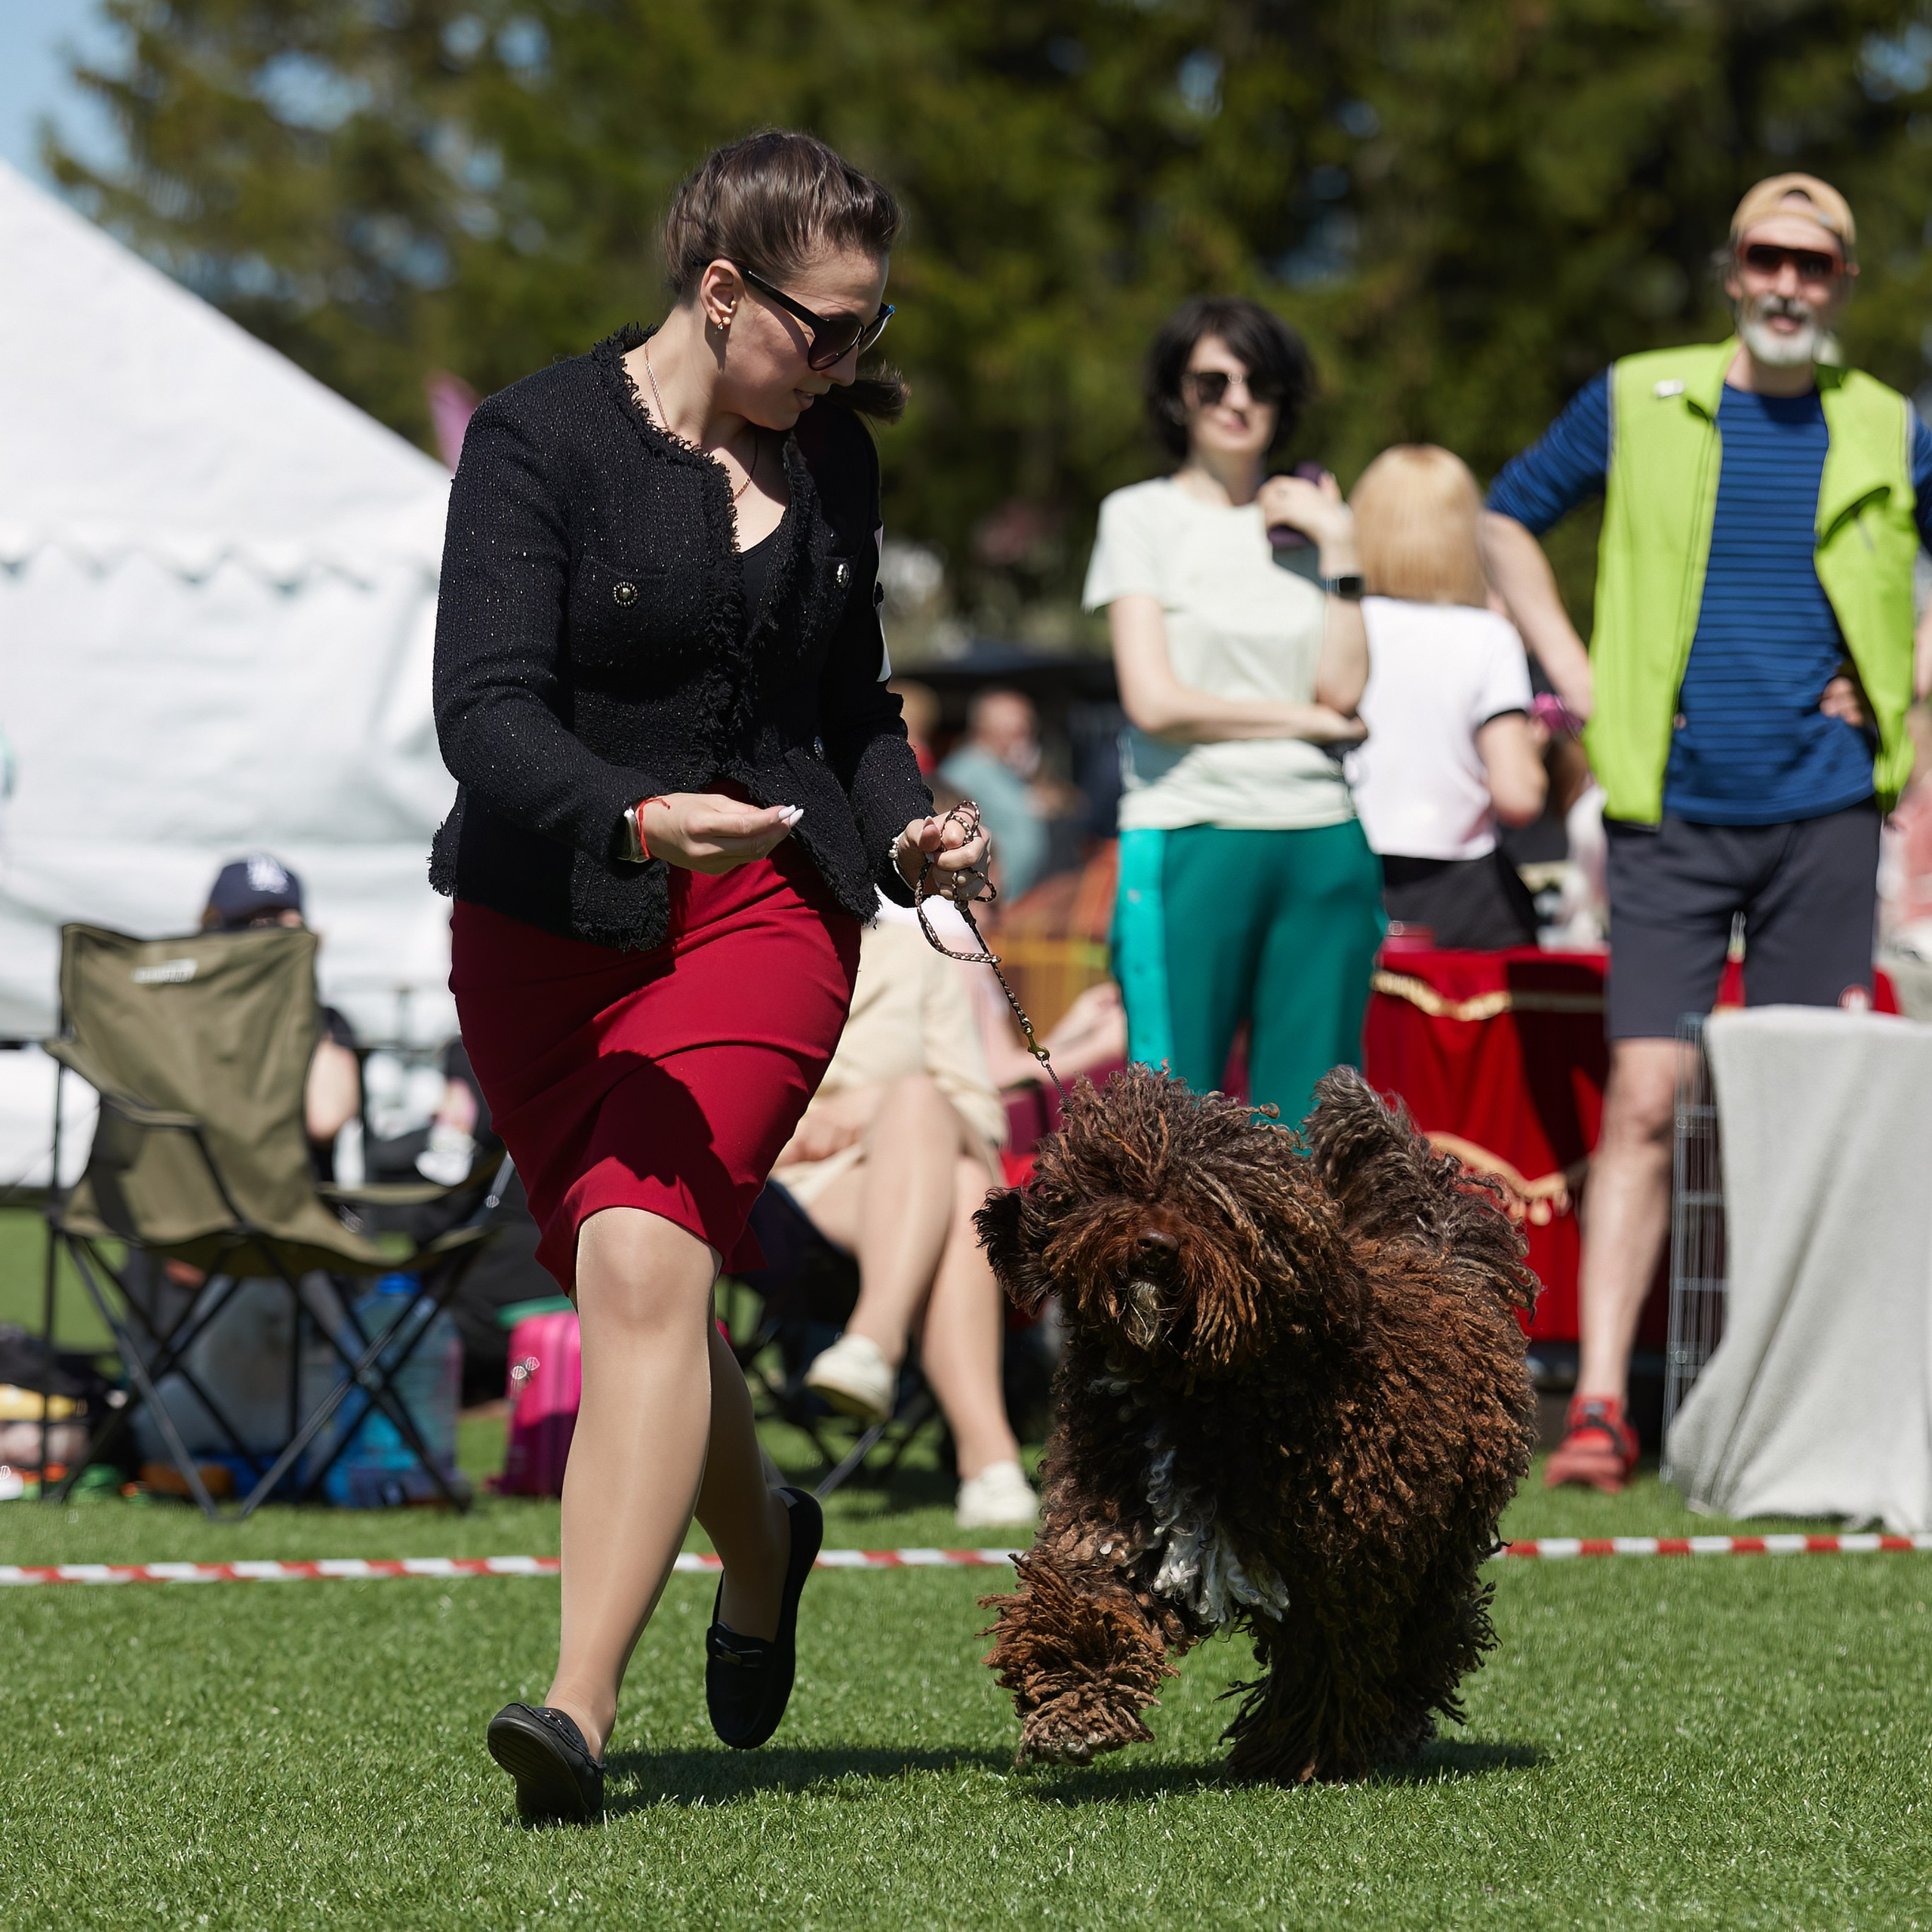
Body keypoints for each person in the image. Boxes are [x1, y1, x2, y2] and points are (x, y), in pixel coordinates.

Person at [431, 131, 989, 1820]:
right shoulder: (536, 443)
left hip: (764, 913)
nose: (842, 367)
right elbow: (486, 714)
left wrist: (904, 831)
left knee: (640, 1250)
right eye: (820, 331)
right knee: (644, 1287)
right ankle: (766, 1542)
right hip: (547, 929)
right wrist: (624, 815)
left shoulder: (826, 460)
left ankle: (577, 1705)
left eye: (864, 334)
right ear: (719, 288)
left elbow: (850, 714)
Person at [1484, 174, 1932, 1491]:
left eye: (1816, 264)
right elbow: (1507, 516)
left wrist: (1903, 672)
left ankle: (1782, 1415)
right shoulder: (1641, 392)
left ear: (1841, 283)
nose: (1790, 283)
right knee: (1645, 1098)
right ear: (1733, 270)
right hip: (1669, 808)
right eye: (1767, 258)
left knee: (1805, 1114)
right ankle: (1606, 1409)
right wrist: (1573, 665)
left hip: (1830, 814)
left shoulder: (1888, 424)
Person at [1084, 296, 1383, 1128]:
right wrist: (1303, 723)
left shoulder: (1313, 524)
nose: (1237, 399)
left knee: (1313, 1132)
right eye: (1212, 381)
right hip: (1191, 830)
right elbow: (1154, 702)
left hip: (1321, 836)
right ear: (1177, 396)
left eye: (1259, 381)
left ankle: (1300, 1268)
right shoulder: (1137, 516)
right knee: (1173, 1122)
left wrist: (1344, 548)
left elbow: (1345, 693)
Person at [781, 897, 1035, 1529]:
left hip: (920, 1161)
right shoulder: (741, 961)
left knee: (938, 1128)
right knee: (963, 1183)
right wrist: (824, 1123)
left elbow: (979, 1113)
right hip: (796, 1190)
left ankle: (875, 1338)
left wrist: (872, 1108)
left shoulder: (914, 958)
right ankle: (990, 1459)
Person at [1346, 446, 1549, 947]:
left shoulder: (1337, 625)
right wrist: (1533, 751)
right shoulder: (1486, 636)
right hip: (1462, 894)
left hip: (1346, 870)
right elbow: (1518, 796)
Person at [199, 854, 360, 1169]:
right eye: (257, 925)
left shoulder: (324, 1020)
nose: (271, 945)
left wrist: (300, 984)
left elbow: (325, 1119)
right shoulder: (183, 1014)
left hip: (293, 1205)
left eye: (287, 930)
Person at [937, 688, 1054, 900]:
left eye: (1027, 728)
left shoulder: (1001, 769)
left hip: (1013, 903)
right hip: (983, 902)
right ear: (984, 727)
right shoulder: (963, 772)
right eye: (1016, 729)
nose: (1025, 737)